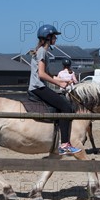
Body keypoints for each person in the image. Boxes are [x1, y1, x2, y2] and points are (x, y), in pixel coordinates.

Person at [29, 24, 81, 155]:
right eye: (54, 37)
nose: (56, 39)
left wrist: (62, 81)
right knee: (66, 107)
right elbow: (41, 74)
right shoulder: (42, 52)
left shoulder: (42, 51)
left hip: (39, 86)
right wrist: (59, 84)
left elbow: (47, 75)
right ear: (48, 37)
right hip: (38, 87)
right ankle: (64, 145)